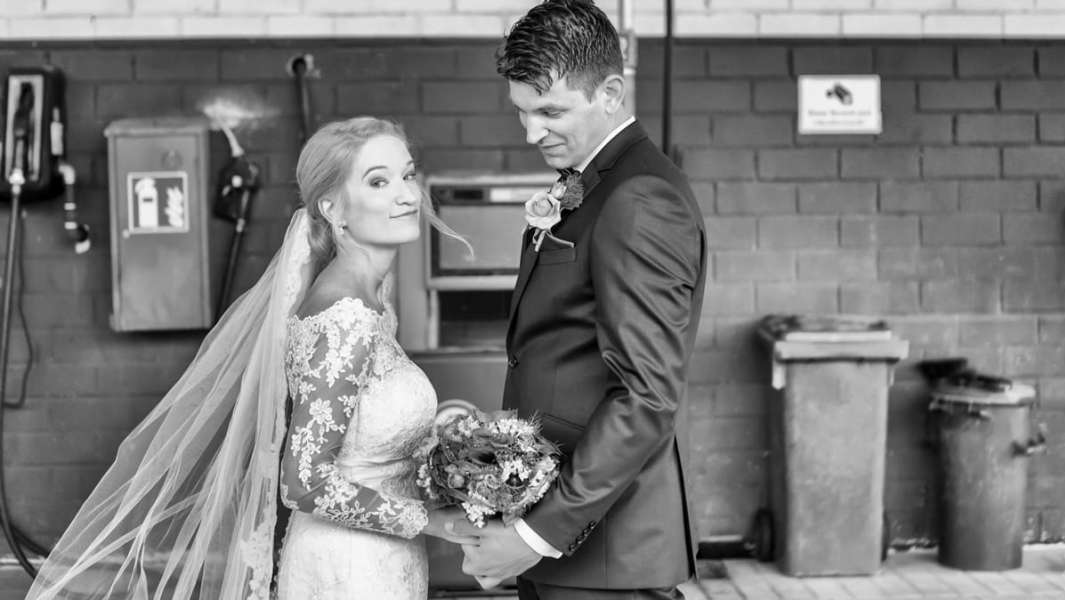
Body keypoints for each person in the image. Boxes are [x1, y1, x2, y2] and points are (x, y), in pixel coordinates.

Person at [25, 117, 475, 600]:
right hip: (352, 568)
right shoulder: (347, 316)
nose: (407, 195)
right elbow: (304, 482)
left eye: (408, 175)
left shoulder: (371, 301)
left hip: (382, 556)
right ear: (332, 208)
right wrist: (432, 521)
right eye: (379, 182)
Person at [456, 1, 708, 599]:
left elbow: (646, 396)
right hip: (567, 540)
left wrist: (538, 534)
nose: (531, 132)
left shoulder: (639, 198)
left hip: (603, 548)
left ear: (610, 93)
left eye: (550, 111)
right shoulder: (596, 183)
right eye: (522, 112)